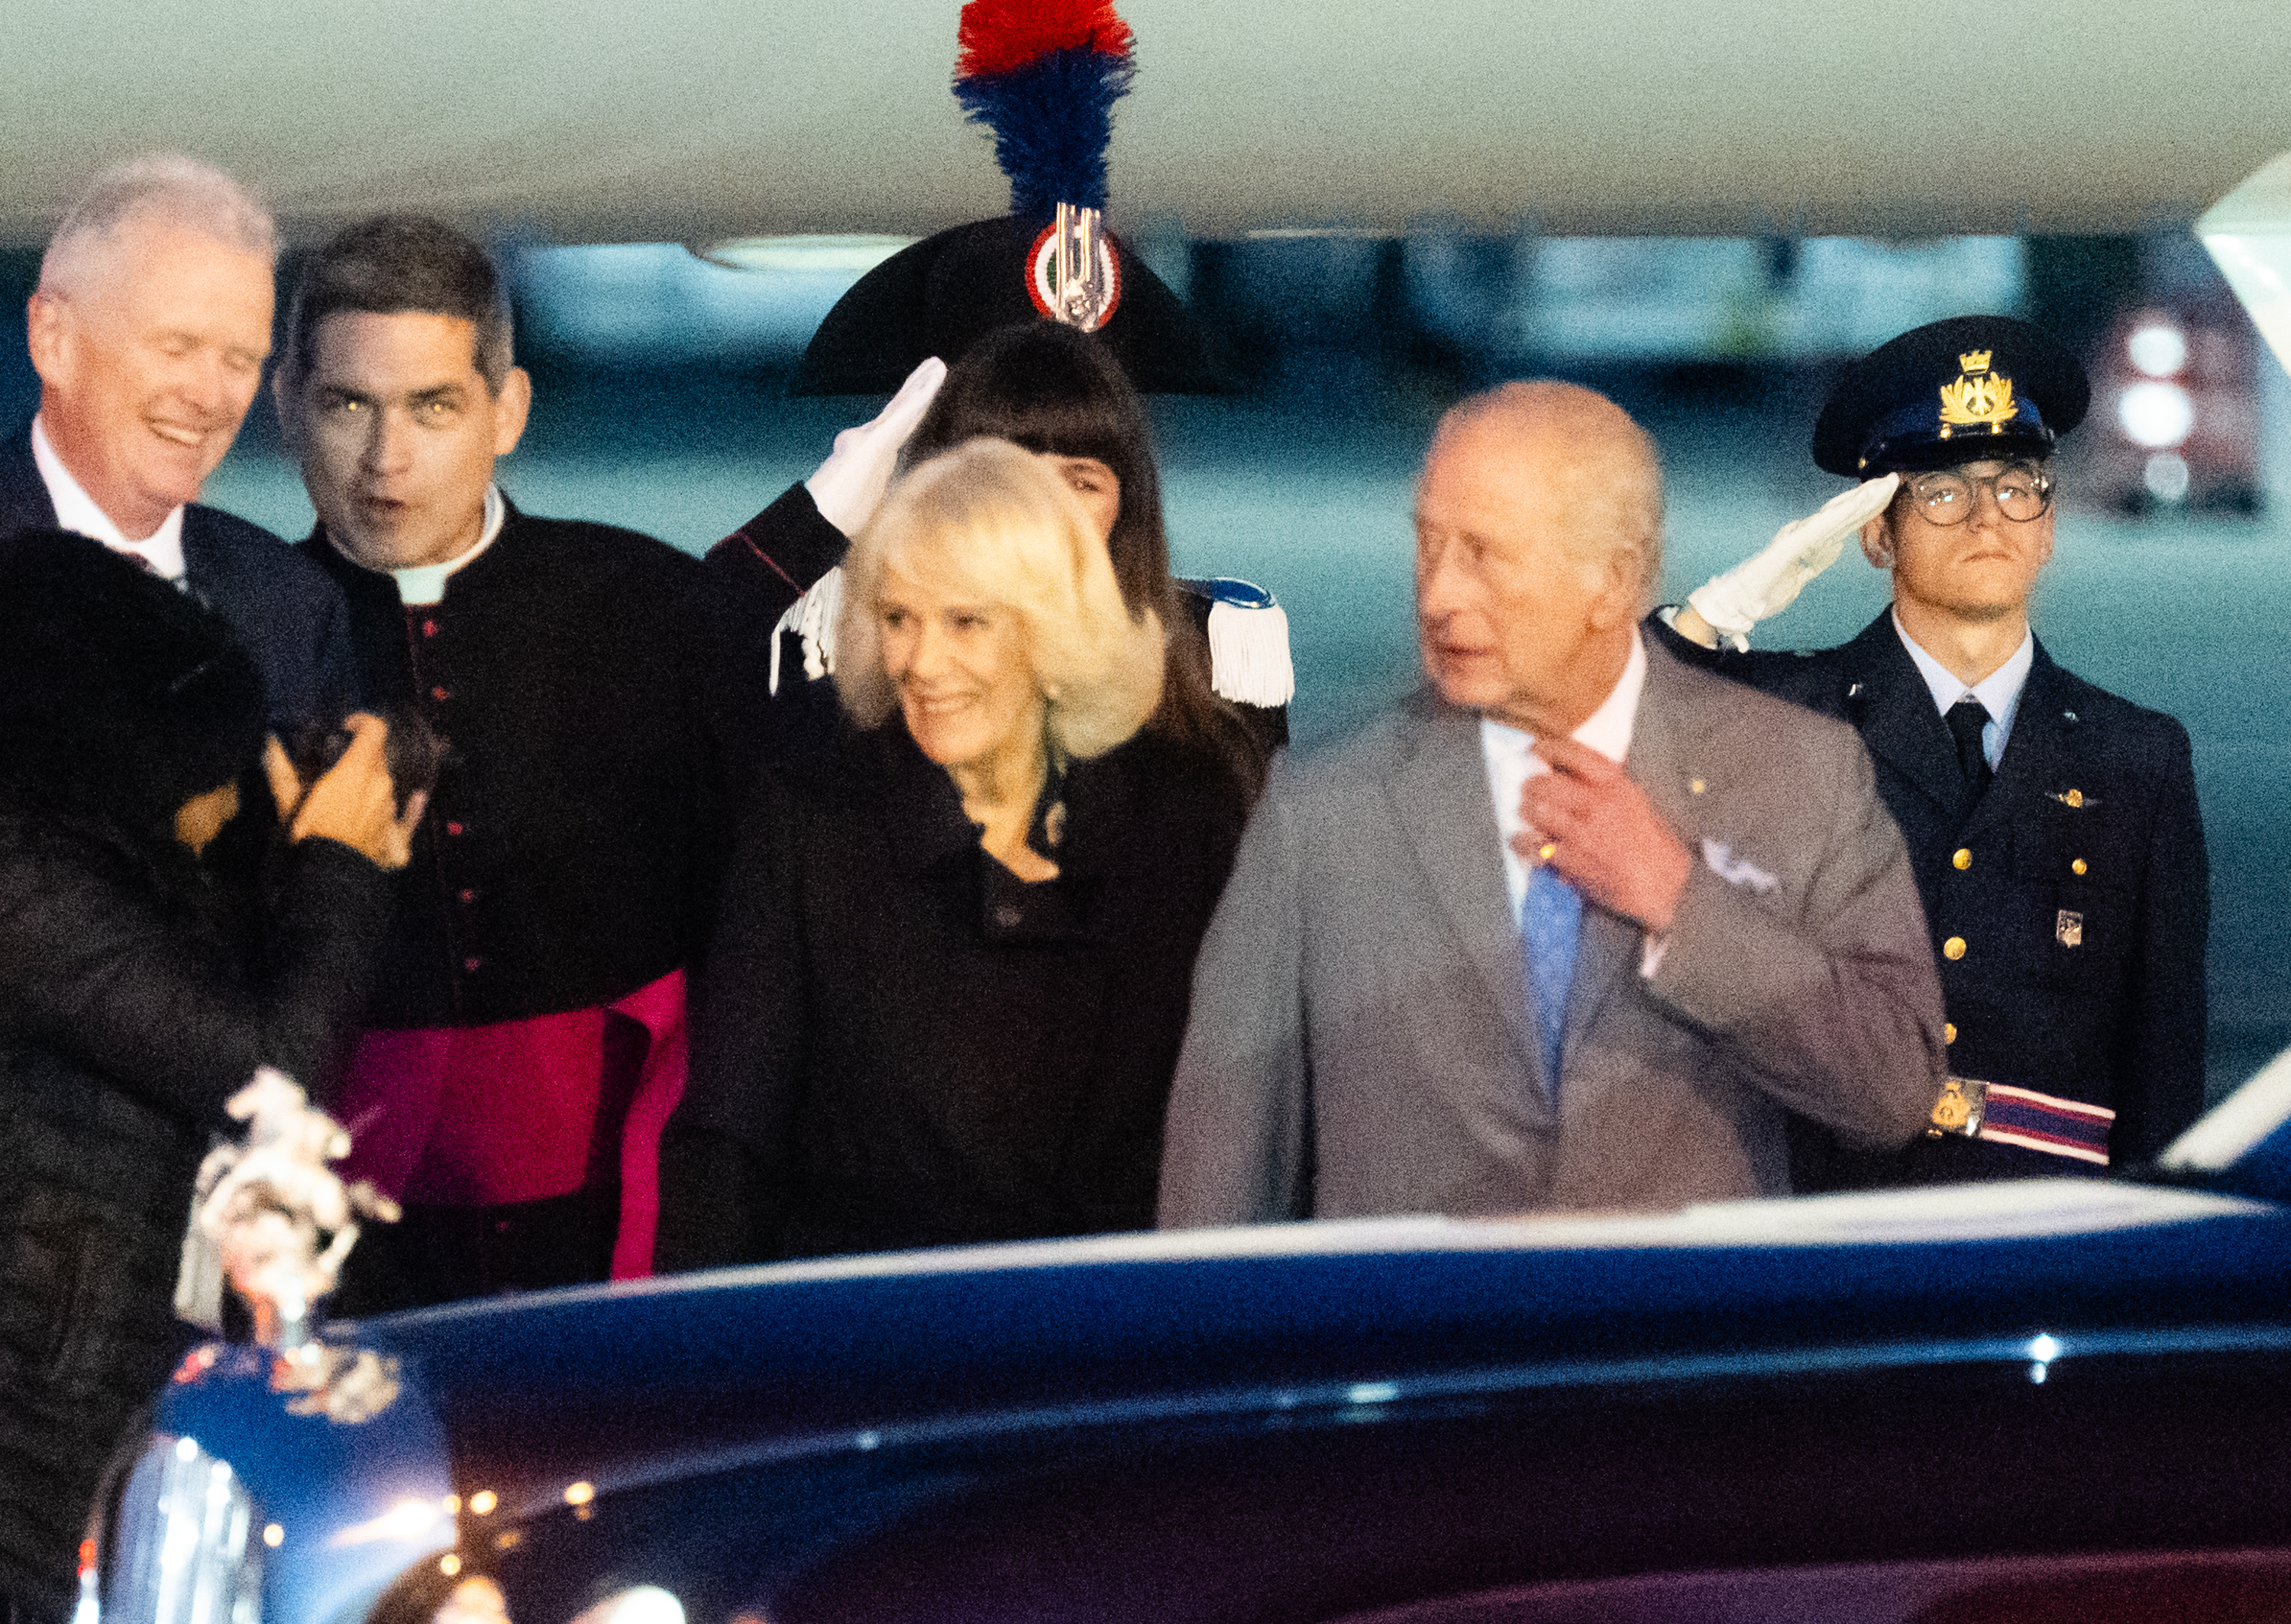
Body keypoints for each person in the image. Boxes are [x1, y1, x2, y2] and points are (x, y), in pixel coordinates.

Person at [1157, 383, 1944, 1226]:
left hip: (1679, 1355)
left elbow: (1894, 1088)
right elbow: (1217, 1186)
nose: (1438, 597)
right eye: (1429, 549)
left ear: (1613, 579)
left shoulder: (1797, 775)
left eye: (1484, 555)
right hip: (1413, 1354)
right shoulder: (1322, 812)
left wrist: (1681, 906)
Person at [272, 216, 739, 1309]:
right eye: (350, 406)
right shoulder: (236, 632)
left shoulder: (651, 607)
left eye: (433, 408)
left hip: (618, 1209)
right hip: (332, 1232)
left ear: (507, 411)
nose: (387, 461)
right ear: (288, 404)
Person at [657, 439, 1251, 1266]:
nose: (921, 663)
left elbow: (1229, 1143)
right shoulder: (809, 819)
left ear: (1052, 631)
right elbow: (727, 1136)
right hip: (866, 1337)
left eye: (964, 621)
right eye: (898, 619)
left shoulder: (1184, 826)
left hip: (1112, 1338)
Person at [1658, 315, 2209, 1180]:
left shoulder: (2136, 756)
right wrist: (1728, 604)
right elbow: (1619, 722)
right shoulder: (1792, 716)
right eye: (1944, 492)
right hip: (1837, 1211)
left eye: (2019, 485)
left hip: (2051, 1217)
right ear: (1877, 532)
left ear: (2050, 523)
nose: (1989, 517)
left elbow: (2164, 1057)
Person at [0, 535, 412, 1624]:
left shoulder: (92, 860)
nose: (225, 798)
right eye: (207, 768)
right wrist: (339, 863)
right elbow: (262, 1067)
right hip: (35, 1427)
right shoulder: (23, 886)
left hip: (98, 1385)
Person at [713, 324, 1292, 767]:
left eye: (1081, 480)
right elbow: (666, 673)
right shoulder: (840, 646)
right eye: (1006, 472)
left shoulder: (1209, 656)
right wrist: (815, 519)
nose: (1042, 508)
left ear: (1127, 504)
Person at [2, 153, 359, 735]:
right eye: (176, 346)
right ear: (54, 340)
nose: (211, 396)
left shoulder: (294, 606)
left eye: (241, 359)